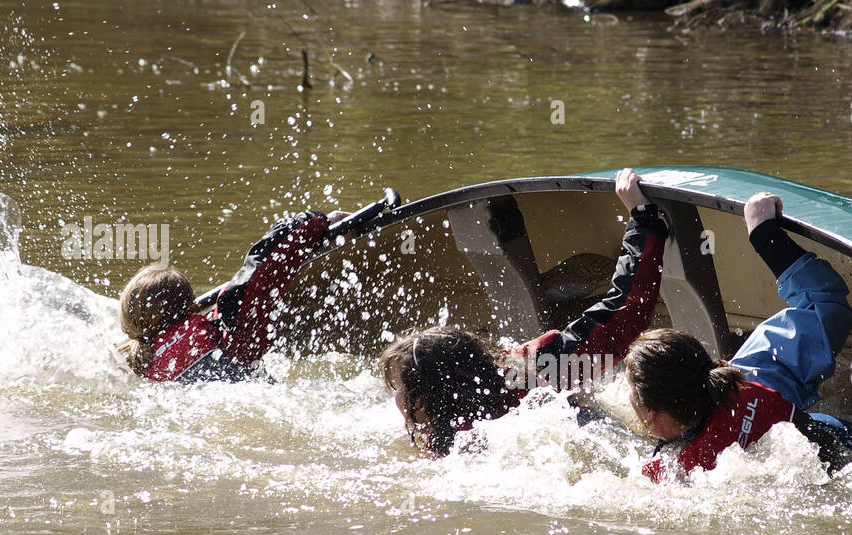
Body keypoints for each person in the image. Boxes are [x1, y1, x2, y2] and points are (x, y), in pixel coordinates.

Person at [381, 168, 667, 454]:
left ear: (433, 396)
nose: (396, 400)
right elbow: (624, 314)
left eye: (401, 390)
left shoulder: (448, 435)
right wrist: (642, 216)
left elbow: (623, 317)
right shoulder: (536, 369)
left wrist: (642, 222)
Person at [627, 191, 852, 482]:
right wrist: (764, 235)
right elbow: (825, 303)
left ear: (649, 414)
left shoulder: (667, 476)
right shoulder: (750, 380)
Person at [119, 210, 334, 383]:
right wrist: (316, 221)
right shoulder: (224, 328)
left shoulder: (134, 363)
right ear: (192, 308)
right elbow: (263, 269)